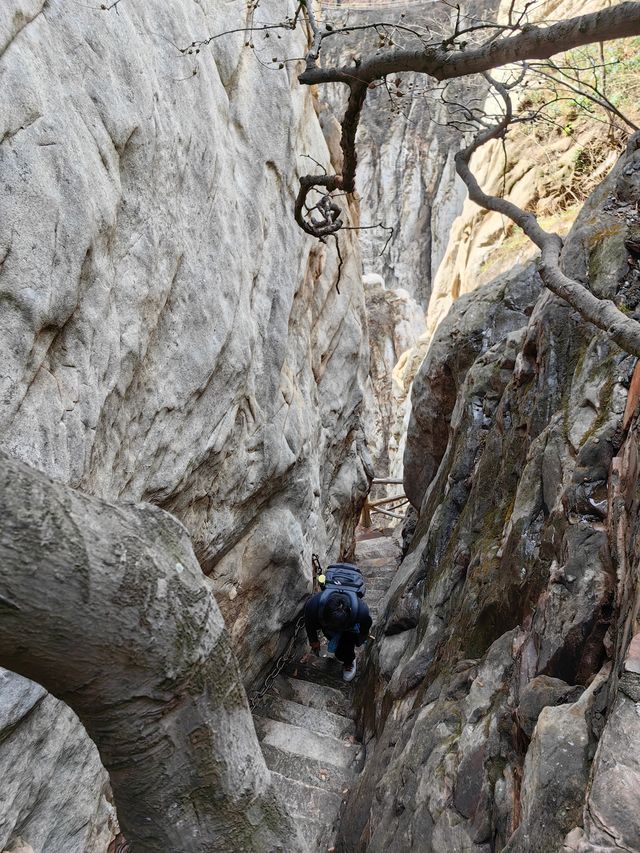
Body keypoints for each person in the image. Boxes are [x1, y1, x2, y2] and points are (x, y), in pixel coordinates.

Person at [304, 587, 372, 682]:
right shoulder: (314, 605)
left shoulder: (361, 611)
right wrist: (314, 640)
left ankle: (349, 661)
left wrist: (359, 640)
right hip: (326, 624)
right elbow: (309, 622)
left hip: (348, 628)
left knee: (346, 642)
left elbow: (365, 627)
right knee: (331, 635)